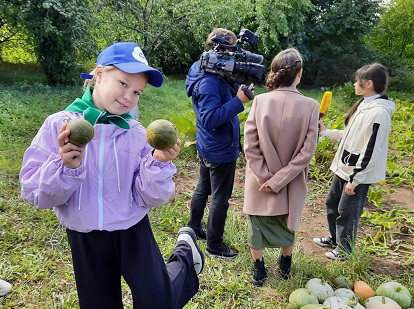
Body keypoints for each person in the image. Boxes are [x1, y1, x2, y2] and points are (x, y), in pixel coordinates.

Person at [20, 42, 204, 309]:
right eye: (123, 83)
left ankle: (185, 257)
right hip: (84, 234)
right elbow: (34, 192)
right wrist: (65, 167)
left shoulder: (137, 133)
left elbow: (151, 197)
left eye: (137, 91)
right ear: (98, 74)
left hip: (131, 228)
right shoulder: (58, 125)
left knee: (158, 302)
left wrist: (158, 161)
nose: (129, 96)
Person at [243, 48, 319, 285]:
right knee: (289, 221)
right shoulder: (311, 105)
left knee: (256, 224)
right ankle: (285, 264)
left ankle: (259, 270)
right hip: (292, 179)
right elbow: (307, 153)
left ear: (274, 73)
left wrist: (265, 177)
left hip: (259, 179)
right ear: (300, 73)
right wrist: (280, 180)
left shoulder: (260, 101)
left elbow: (250, 145)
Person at [313, 62, 394, 261]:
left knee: (347, 213)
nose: (353, 84)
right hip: (343, 167)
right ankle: (334, 238)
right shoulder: (363, 105)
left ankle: (345, 250)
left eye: (356, 81)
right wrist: (326, 132)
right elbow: (349, 135)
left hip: (357, 173)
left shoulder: (379, 113)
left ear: (368, 83)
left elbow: (371, 149)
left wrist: (355, 179)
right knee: (332, 204)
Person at [185, 28, 252, 259]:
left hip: (209, 145)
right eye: (231, 53)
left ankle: (194, 228)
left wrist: (236, 89)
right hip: (219, 149)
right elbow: (210, 118)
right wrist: (239, 101)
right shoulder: (208, 81)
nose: (234, 58)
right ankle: (214, 245)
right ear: (218, 50)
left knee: (203, 188)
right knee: (220, 199)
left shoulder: (205, 67)